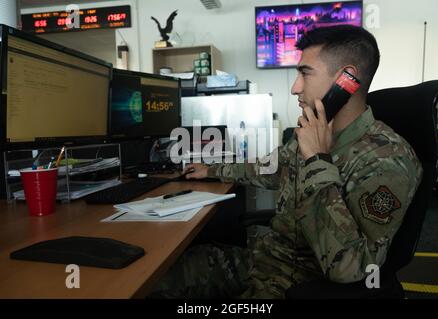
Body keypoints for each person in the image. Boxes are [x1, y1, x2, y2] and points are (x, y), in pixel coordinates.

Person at [151, 25, 423, 299]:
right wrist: (211, 169)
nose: (295, 88)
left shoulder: (388, 160)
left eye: (305, 73)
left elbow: (352, 267)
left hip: (299, 282)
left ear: (347, 79)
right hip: (264, 257)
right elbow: (273, 167)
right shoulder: (310, 132)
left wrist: (317, 161)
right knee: (158, 277)